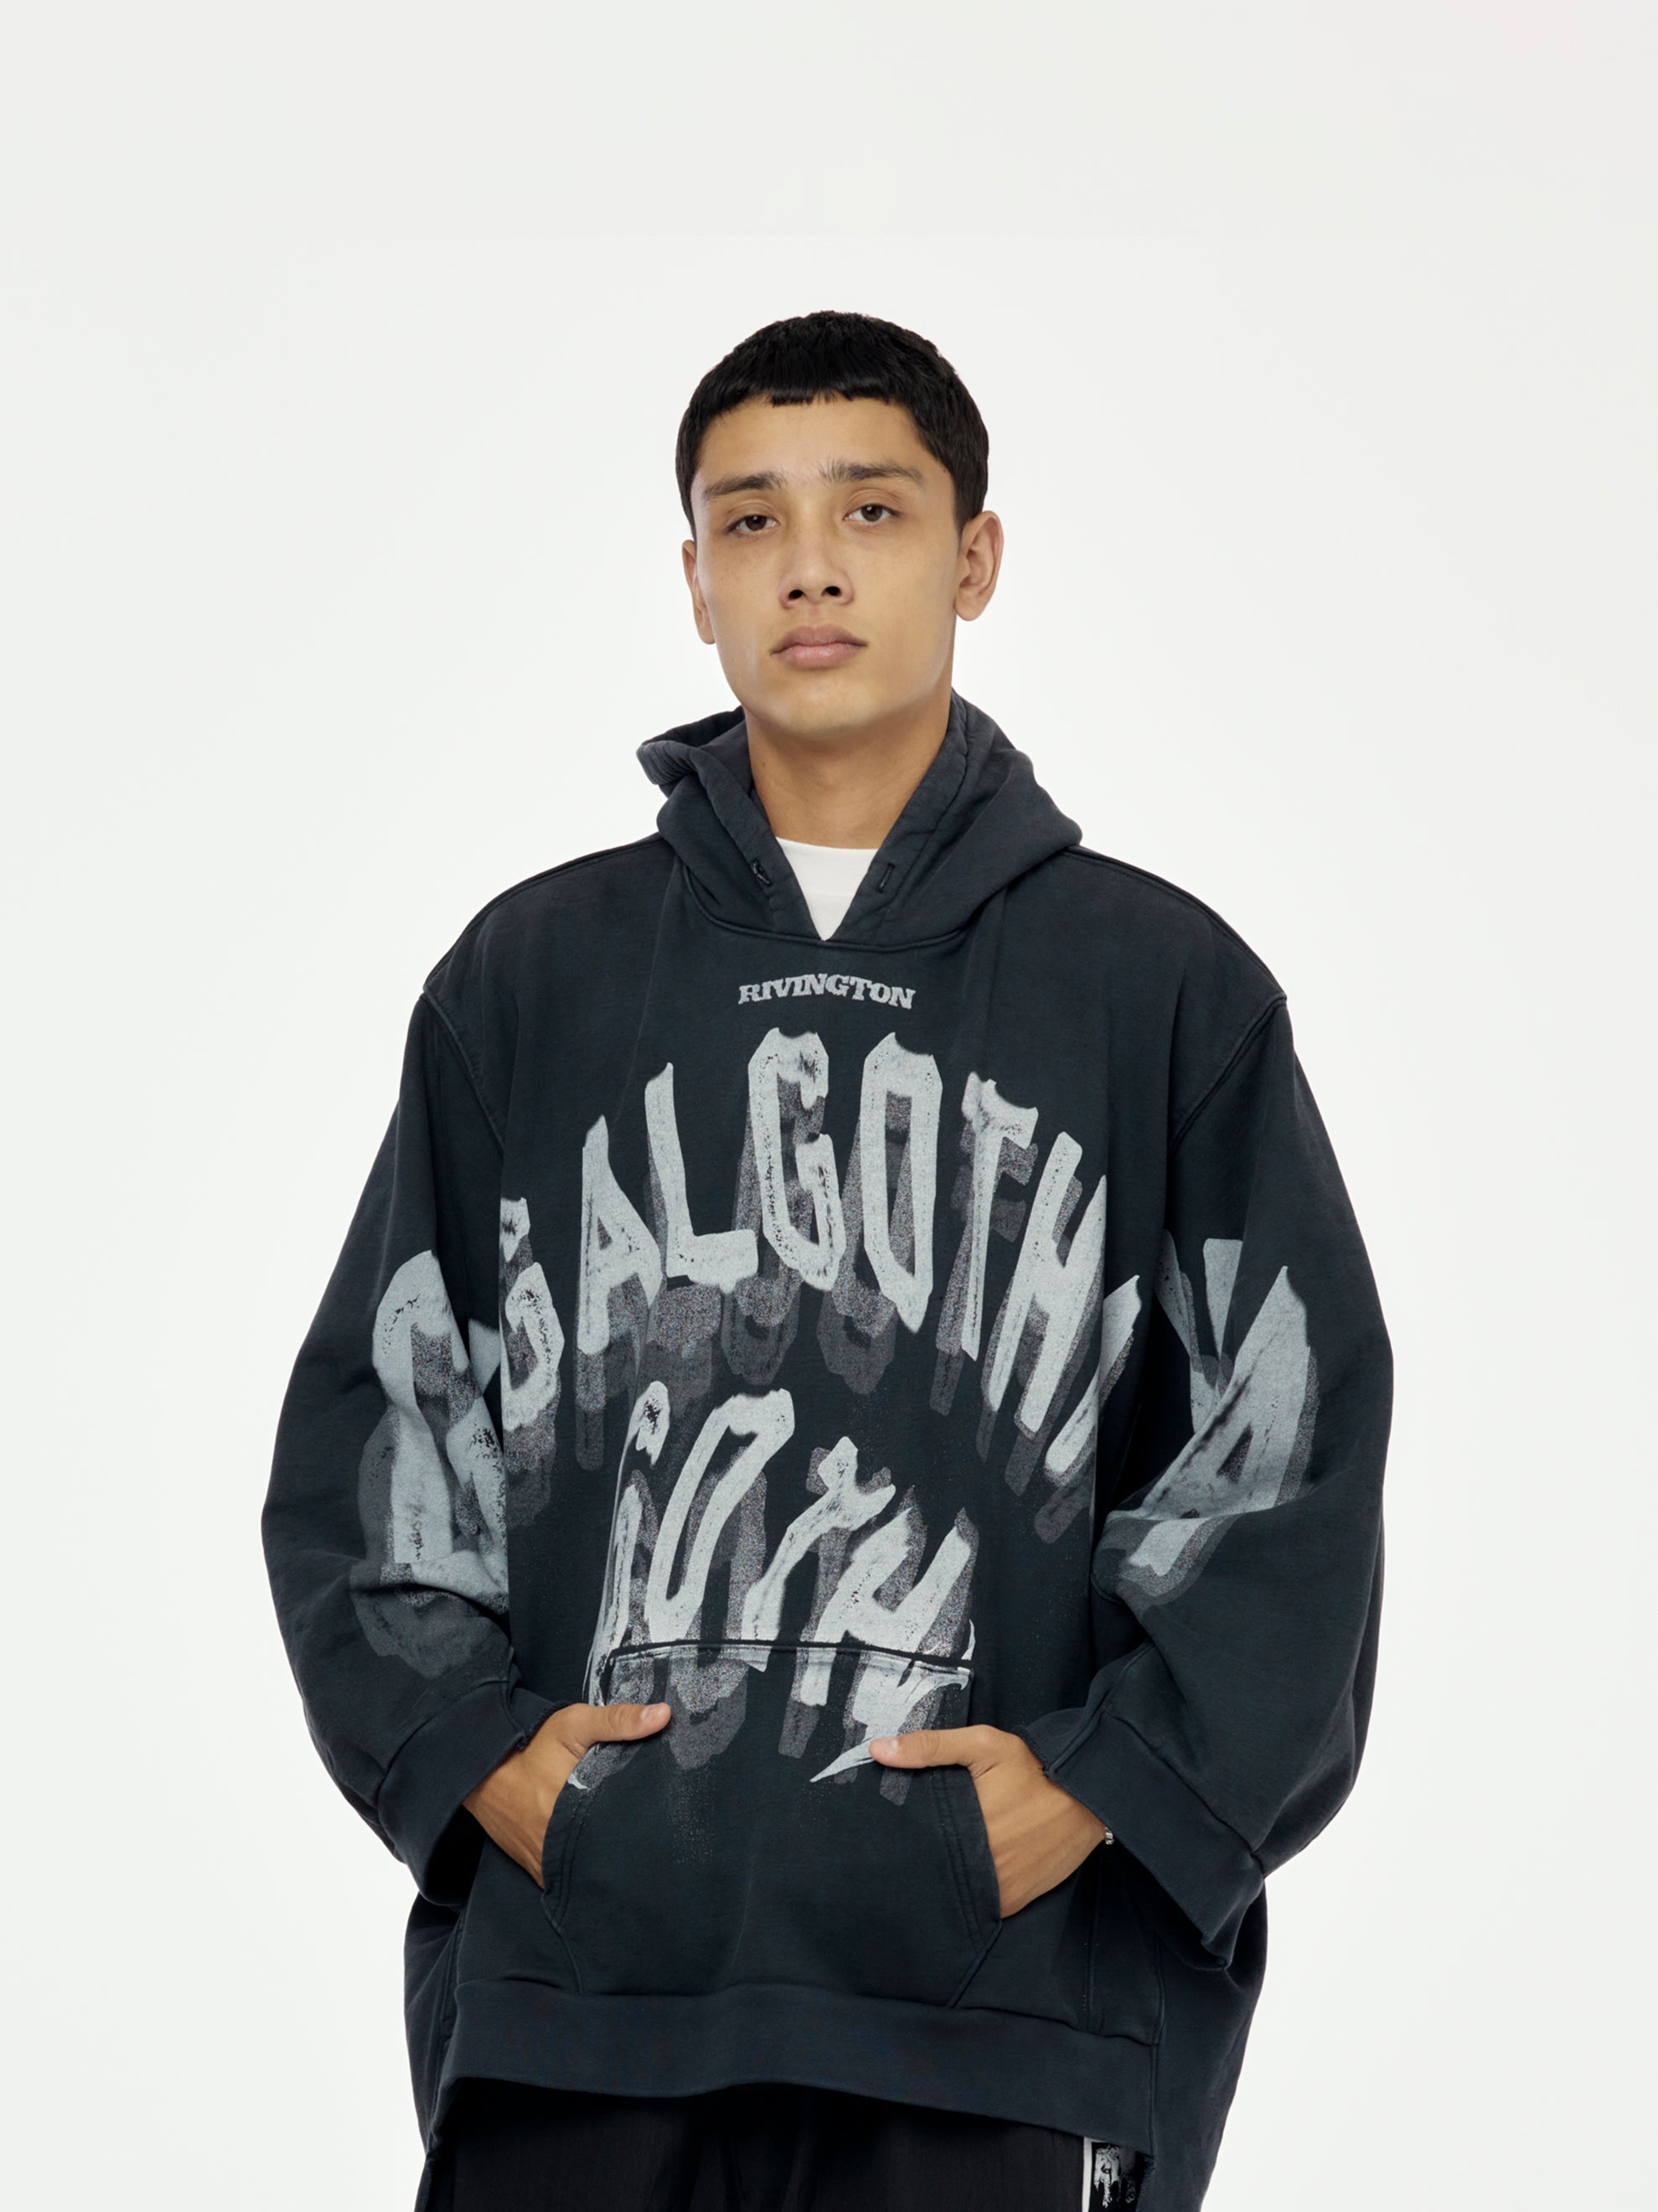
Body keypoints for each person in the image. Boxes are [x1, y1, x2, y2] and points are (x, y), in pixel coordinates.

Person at [262, 311, 1392, 2212]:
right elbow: (389, 1414)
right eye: (750, 519)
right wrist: (483, 1765)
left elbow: (1286, 1458)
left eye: (871, 509)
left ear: (974, 558)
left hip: (1009, 2013)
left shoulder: (1159, 987)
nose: (809, 566)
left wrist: (1100, 1794)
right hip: (583, 2002)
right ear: (694, 578)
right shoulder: (529, 979)